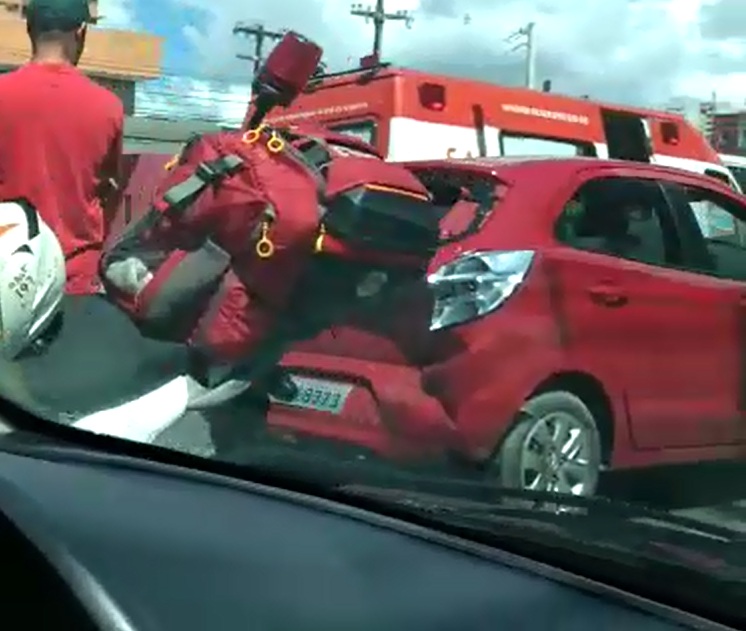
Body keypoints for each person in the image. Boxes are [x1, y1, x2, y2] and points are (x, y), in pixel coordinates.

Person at [0, 0, 124, 295]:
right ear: (80, 31)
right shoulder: (108, 107)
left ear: (29, 29)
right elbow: (109, 187)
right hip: (74, 281)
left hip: (7, 280)